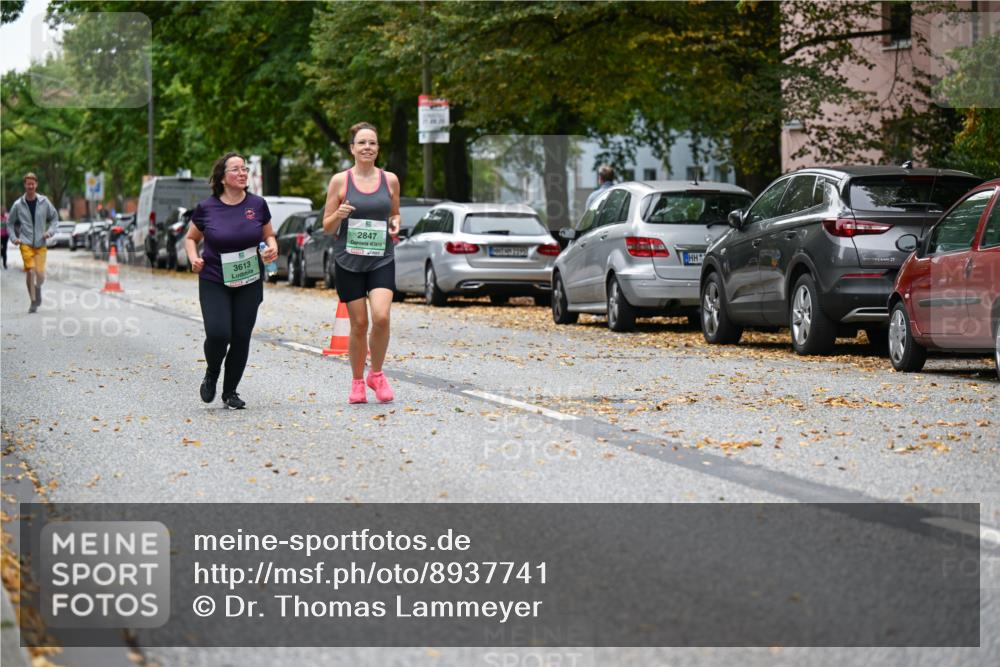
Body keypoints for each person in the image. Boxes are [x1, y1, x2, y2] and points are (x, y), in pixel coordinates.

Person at [184, 152, 278, 409]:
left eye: (244, 169)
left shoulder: (258, 204)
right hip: (214, 278)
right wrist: (194, 259)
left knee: (240, 336)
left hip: (248, 279)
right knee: (218, 333)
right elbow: (191, 238)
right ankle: (212, 371)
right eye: (235, 169)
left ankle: (230, 392)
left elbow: (269, 235)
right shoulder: (207, 208)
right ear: (223, 178)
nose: (242, 173)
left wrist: (271, 248)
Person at [322, 122, 401, 404]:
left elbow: (394, 214)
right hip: (349, 261)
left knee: (381, 317)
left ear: (378, 149)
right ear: (352, 148)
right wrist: (339, 215)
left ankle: (376, 374)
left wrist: (395, 226)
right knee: (358, 324)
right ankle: (357, 381)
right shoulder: (340, 181)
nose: (368, 147)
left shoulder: (389, 180)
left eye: (373, 143)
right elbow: (328, 227)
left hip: (381, 258)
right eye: (362, 143)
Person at [6, 173, 60, 312]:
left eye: (32, 184)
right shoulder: (18, 204)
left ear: (36, 185)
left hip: (41, 243)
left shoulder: (44, 201)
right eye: (28, 184)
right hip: (25, 243)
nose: (30, 186)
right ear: (25, 185)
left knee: (40, 275)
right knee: (30, 271)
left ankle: (37, 288)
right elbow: (10, 223)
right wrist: (14, 238)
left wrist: (50, 232)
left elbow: (54, 218)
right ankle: (33, 300)